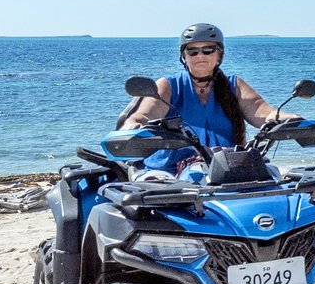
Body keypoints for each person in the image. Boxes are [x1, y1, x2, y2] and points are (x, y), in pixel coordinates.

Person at [124, 23, 295, 175]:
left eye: (208, 50)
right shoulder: (168, 85)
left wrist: (286, 119)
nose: (200, 56)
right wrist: (134, 125)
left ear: (219, 55)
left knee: (273, 178)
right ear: (184, 56)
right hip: (169, 171)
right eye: (193, 51)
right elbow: (146, 113)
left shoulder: (234, 85)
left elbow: (261, 111)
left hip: (227, 170)